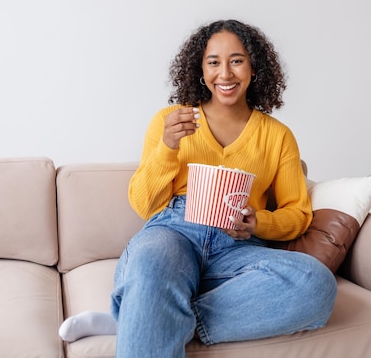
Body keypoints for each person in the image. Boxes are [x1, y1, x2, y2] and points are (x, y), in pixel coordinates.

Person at [58, 19, 337, 358]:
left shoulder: (277, 136)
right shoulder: (171, 120)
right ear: (200, 69)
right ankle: (147, 312)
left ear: (254, 67)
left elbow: (298, 214)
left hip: (236, 247)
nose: (225, 73)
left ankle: (143, 317)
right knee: (152, 263)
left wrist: (257, 223)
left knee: (316, 284)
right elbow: (145, 205)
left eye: (236, 60)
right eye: (213, 62)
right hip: (173, 232)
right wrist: (168, 147)